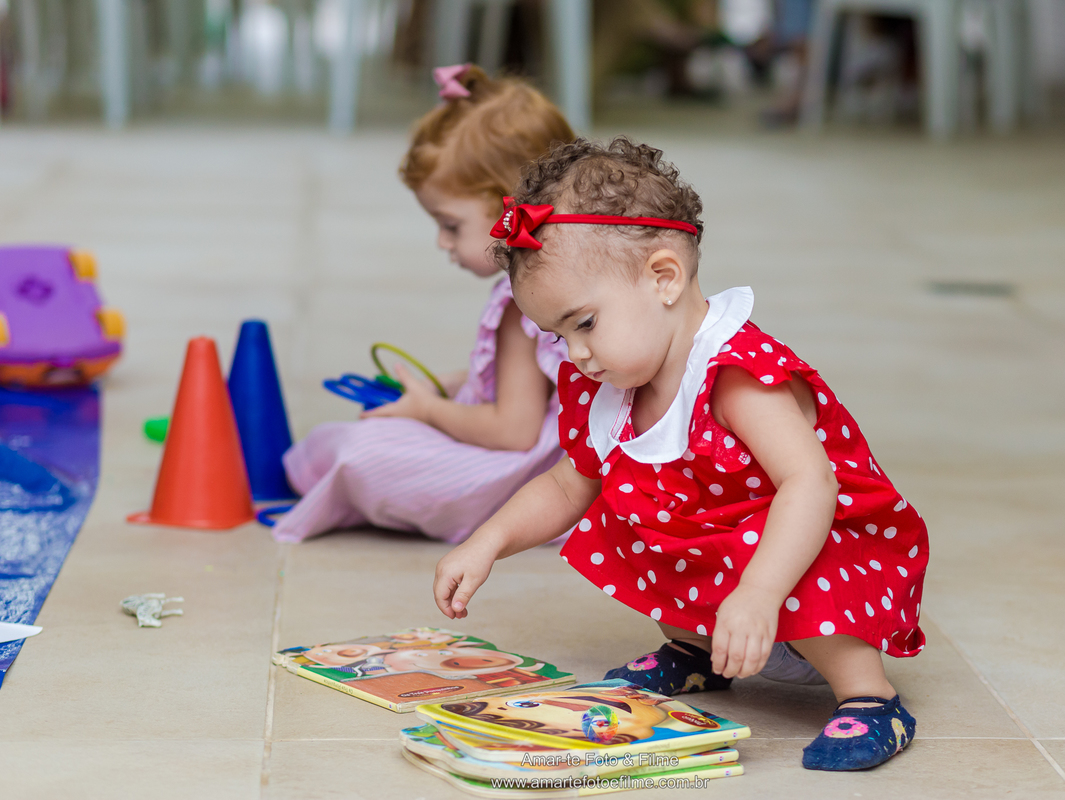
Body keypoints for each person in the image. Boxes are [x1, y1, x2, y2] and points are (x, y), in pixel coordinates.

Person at [432, 137, 929, 771]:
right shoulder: (607, 384)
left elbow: (811, 486)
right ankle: (696, 653)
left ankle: (869, 695)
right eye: (557, 336)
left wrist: (758, 592)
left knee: (794, 548)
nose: (575, 354)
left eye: (583, 324)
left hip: (812, 546)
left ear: (663, 277)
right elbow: (568, 485)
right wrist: (489, 540)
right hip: (725, 551)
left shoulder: (737, 375)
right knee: (633, 517)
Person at [272, 65, 574, 544]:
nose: (441, 242)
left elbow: (513, 430)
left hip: (524, 480)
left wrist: (427, 410)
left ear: (509, 208)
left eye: (450, 225)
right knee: (351, 440)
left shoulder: (526, 305)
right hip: (549, 464)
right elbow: (535, 389)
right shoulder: (559, 281)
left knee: (357, 452)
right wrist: (450, 384)